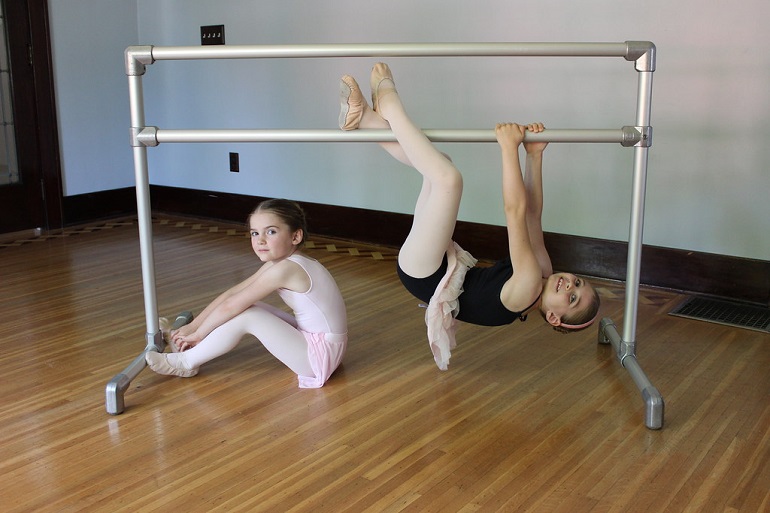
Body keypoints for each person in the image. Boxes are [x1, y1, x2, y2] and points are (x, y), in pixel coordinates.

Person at [338, 63, 599, 370]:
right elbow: (531, 214)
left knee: (449, 179)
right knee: (439, 166)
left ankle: (389, 103)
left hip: (425, 273)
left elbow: (513, 213)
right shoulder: (542, 271)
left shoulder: (529, 285)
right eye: (577, 283)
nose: (570, 287)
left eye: (572, 299)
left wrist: (508, 149)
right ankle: (364, 120)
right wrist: (535, 156)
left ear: (554, 317)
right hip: (436, 268)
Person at [145, 199, 348, 388]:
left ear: (296, 236)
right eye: (254, 233)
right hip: (323, 343)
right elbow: (232, 295)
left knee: (248, 316)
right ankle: (184, 343)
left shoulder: (286, 269)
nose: (260, 240)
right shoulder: (282, 263)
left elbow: (231, 306)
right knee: (249, 306)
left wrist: (200, 334)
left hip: (320, 357)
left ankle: (186, 362)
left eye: (270, 232)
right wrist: (192, 327)